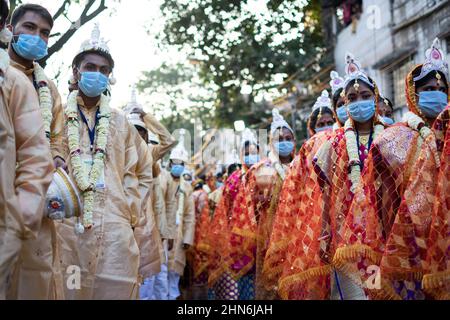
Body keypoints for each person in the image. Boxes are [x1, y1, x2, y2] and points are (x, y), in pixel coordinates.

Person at [333, 38, 450, 300]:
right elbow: (379, 207)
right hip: (405, 248)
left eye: (441, 89)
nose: (437, 94)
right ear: (412, 94)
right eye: (429, 89)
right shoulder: (390, 140)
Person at [278, 52, 387, 300]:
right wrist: (325, 233)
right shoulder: (332, 144)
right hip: (344, 238)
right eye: (352, 98)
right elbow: (325, 194)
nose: (359, 101)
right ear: (345, 104)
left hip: (383, 238)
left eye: (365, 96)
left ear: (375, 98)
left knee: (378, 293)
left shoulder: (392, 138)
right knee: (354, 297)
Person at [56, 24, 152, 300]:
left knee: (113, 289)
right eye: (90, 67)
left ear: (110, 76)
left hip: (113, 227)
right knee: (66, 288)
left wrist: (128, 210)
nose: (97, 74)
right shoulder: (57, 116)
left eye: (104, 70)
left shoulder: (121, 122)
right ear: (76, 72)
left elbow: (143, 171)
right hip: (66, 223)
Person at [6, 3, 66, 300]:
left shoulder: (48, 88)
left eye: (45, 33)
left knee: (34, 276)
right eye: (30, 28)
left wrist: (57, 157)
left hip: (35, 198)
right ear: (10, 29)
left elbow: (58, 137)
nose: (38, 37)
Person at [262, 90, 336, 296]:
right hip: (292, 228)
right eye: (320, 125)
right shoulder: (299, 159)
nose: (325, 128)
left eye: (328, 122)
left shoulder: (342, 146)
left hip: (337, 223)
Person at [227, 109, 297, 300]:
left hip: (298, 236)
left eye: (287, 138)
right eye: (278, 138)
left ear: (294, 141)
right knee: (271, 288)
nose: (283, 142)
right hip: (268, 237)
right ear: (270, 144)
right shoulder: (259, 171)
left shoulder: (302, 165)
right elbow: (246, 209)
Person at [207, 128, 261, 300]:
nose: (250, 156)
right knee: (244, 289)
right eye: (246, 153)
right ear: (240, 155)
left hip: (264, 238)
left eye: (254, 153)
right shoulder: (234, 180)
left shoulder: (267, 174)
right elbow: (226, 210)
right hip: (240, 241)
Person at [153, 131, 195, 300]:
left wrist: (187, 239)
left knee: (175, 271)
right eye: (175, 163)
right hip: (162, 231)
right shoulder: (163, 180)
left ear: (185, 166)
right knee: (161, 271)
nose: (178, 166)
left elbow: (190, 216)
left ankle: (173, 296)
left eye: (181, 164)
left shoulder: (187, 187)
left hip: (179, 233)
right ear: (170, 164)